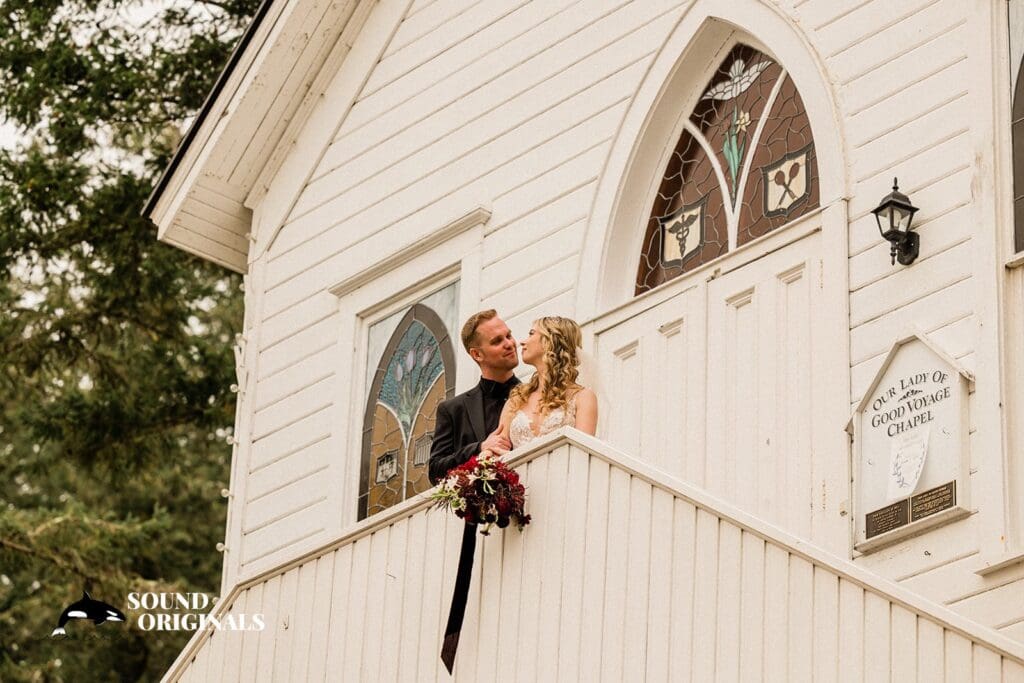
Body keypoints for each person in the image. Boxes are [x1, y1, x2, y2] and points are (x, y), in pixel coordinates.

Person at [427, 309, 519, 486]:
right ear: (477, 354)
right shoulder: (453, 410)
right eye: (497, 341)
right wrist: (479, 448)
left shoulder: (536, 396)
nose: (509, 344)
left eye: (509, 335)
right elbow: (435, 472)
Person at [482, 316, 597, 455]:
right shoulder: (517, 399)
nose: (522, 342)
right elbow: (497, 448)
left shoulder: (583, 397)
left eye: (531, 333)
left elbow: (581, 454)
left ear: (550, 341)